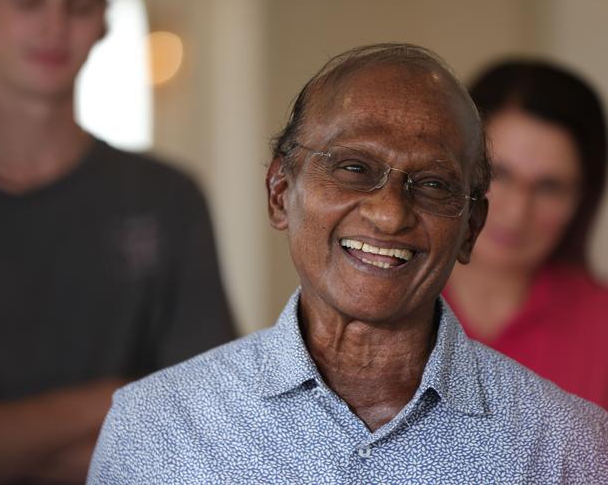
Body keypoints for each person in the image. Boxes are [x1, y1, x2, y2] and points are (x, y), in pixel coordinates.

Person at [87, 44, 608, 484]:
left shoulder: (568, 448)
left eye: (432, 184)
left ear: (470, 226)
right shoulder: (155, 427)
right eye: (354, 169)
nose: (388, 214)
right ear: (279, 192)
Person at [0, 0, 234, 483]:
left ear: (104, 20)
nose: (55, 27)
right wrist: (128, 396)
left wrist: (1, 447)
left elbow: (209, 425)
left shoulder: (168, 198)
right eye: (29, 4)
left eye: (81, 7)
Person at [444, 60, 608, 409]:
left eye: (550, 187)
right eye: (499, 174)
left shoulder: (601, 325)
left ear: (583, 198)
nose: (516, 213)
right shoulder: (385, 302)